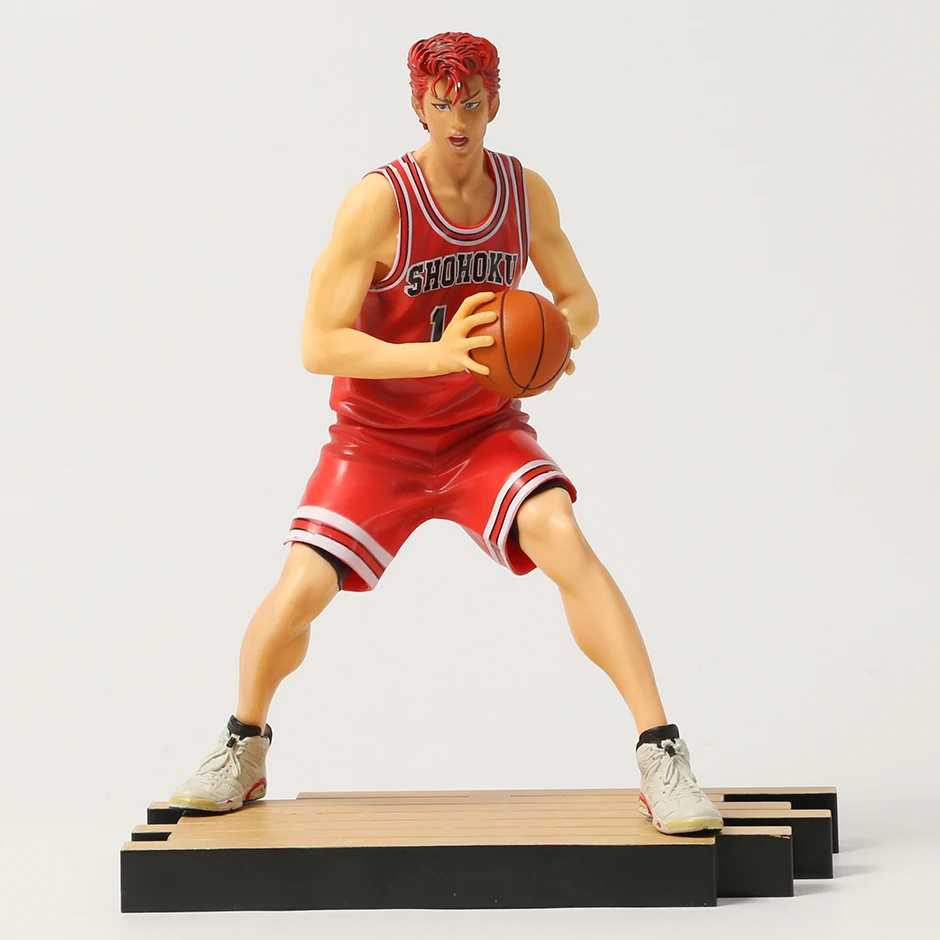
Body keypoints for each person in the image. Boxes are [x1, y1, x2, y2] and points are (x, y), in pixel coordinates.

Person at [169, 31, 723, 835]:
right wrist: (437, 355)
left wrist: (557, 340)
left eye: (471, 102)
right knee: (301, 590)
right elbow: (318, 344)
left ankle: (660, 751)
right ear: (418, 105)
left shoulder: (524, 193)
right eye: (441, 103)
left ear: (494, 102)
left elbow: (581, 300)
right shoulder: (380, 201)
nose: (457, 119)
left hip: (481, 432)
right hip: (377, 440)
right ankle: (242, 745)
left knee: (562, 534)